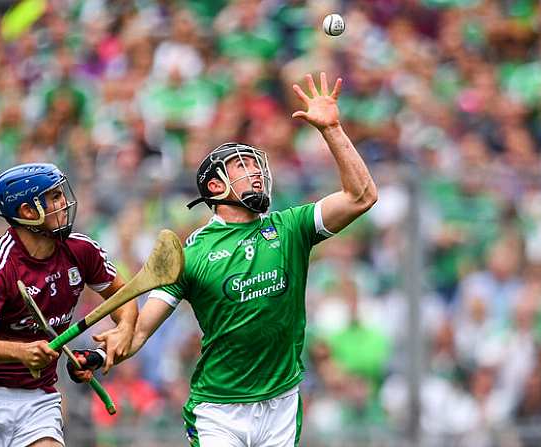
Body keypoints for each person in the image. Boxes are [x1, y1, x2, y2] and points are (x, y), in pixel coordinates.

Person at [93, 72, 378, 446]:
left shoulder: (291, 227)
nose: (257, 172)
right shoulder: (189, 255)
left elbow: (362, 197)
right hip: (218, 409)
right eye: (243, 167)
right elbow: (140, 331)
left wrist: (332, 129)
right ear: (215, 186)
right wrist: (101, 355)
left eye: (257, 166)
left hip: (282, 403)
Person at [0, 162, 137, 447]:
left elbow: (124, 300)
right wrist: (21, 352)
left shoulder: (82, 251)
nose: (65, 203)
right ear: (28, 212)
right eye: (54, 197)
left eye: (61, 194)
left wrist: (124, 328)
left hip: (38, 400)